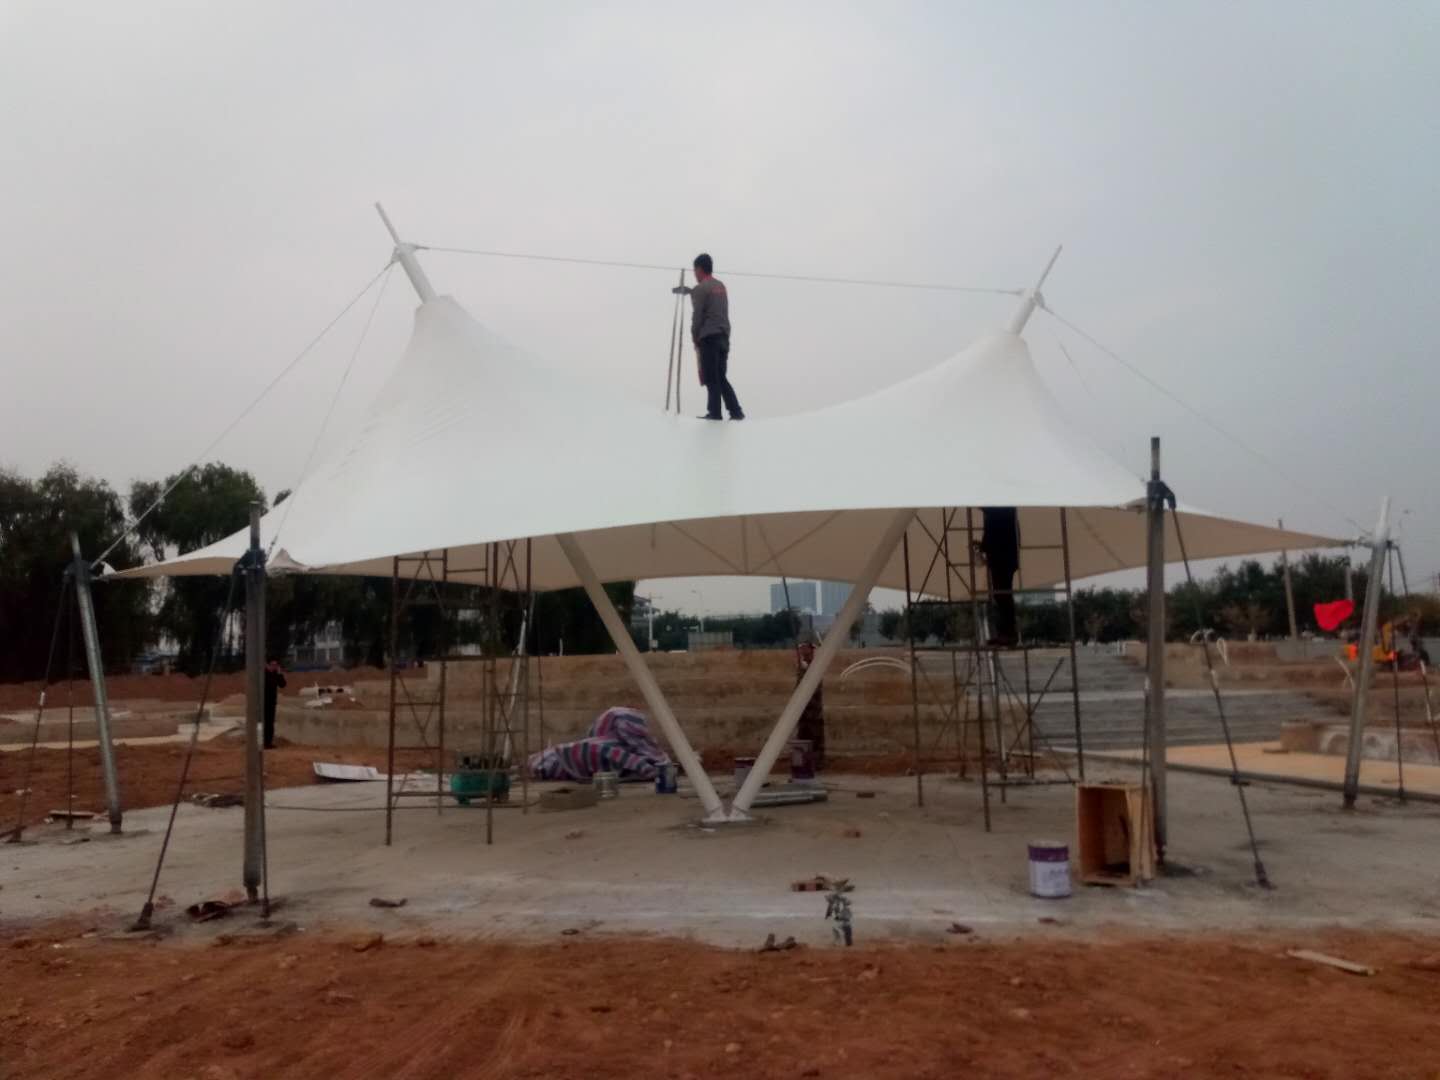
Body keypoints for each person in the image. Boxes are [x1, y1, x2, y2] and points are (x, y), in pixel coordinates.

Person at [686, 253, 744, 421]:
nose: (694, 274)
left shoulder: (700, 289)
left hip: (709, 337)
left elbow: (697, 317)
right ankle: (736, 412)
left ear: (699, 269)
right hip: (724, 337)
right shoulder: (721, 286)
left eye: (694, 270)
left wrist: (694, 336)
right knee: (721, 377)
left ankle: (715, 414)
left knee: (711, 377)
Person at [977, 507, 1020, 647]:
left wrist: (984, 546)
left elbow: (994, 525)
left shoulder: (1001, 509)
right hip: (1002, 554)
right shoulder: (1000, 510)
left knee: (1002, 594)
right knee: (1001, 594)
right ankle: (1006, 633)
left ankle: (1008, 634)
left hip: (1002, 555)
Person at [263, 658, 287, 750]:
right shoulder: (263, 674)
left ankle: (268, 743)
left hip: (271, 703)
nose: (274, 667)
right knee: (262, 723)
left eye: (276, 665)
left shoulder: (275, 674)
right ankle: (260, 741)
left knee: (270, 723)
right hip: (262, 702)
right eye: (273, 665)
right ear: (267, 665)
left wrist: (280, 674)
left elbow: (283, 684)